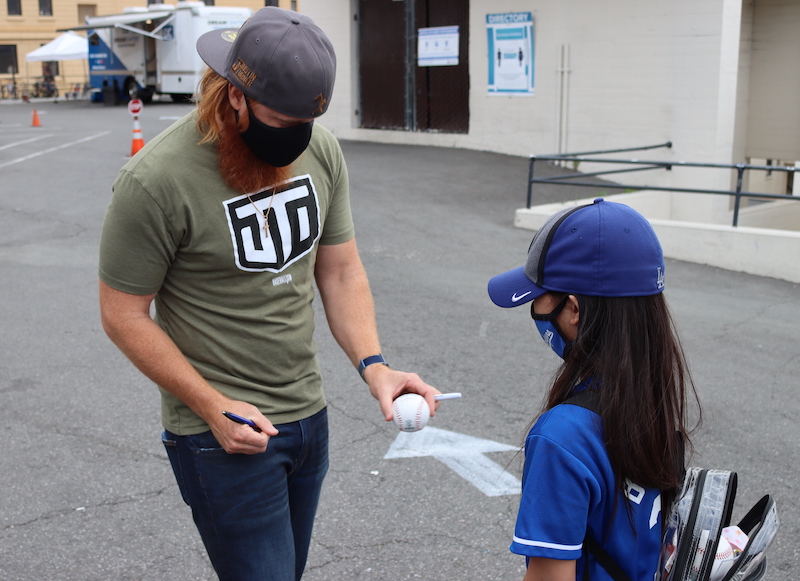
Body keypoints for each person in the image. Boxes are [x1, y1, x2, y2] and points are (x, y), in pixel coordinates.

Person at [98, 7, 438, 581]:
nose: (295, 140)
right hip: (222, 437)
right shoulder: (155, 181)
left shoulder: (322, 150)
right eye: (280, 121)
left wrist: (375, 366)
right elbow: (123, 315)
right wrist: (211, 405)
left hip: (308, 419)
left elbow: (341, 271)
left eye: (305, 122)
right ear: (235, 95)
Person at [487, 199, 700, 581]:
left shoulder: (562, 438)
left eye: (540, 294)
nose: (535, 307)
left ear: (574, 310)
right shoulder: (653, 403)